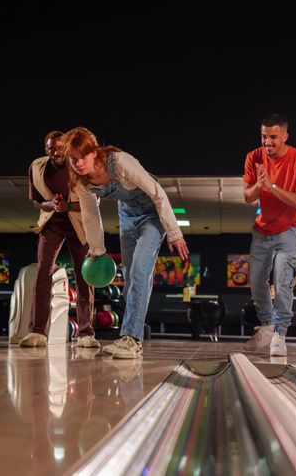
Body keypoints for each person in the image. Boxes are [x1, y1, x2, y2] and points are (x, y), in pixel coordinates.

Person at [63, 127, 188, 359]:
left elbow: (157, 192)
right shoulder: (82, 182)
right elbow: (91, 216)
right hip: (128, 217)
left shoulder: (120, 162)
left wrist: (174, 232)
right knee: (131, 276)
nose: (78, 163)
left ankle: (132, 339)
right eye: (73, 159)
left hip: (152, 214)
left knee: (141, 271)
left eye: (82, 156)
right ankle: (127, 337)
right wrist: (97, 248)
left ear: (94, 152)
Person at [242, 114, 296, 357]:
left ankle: (280, 334)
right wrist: (259, 185)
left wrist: (272, 186)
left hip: (291, 228)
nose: (267, 142)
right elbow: (248, 196)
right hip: (262, 229)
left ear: (285, 136)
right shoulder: (253, 157)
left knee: (282, 282)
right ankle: (267, 326)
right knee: (255, 281)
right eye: (264, 136)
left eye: (273, 137)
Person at [20, 131, 97, 348]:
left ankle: (85, 333)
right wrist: (52, 205)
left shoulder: (78, 166)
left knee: (85, 275)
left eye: (59, 148)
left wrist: (67, 206)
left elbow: (92, 202)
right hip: (52, 224)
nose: (56, 153)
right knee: (43, 271)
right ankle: (38, 332)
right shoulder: (36, 167)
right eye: (50, 149)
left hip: (77, 224)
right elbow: (37, 202)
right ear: (45, 150)